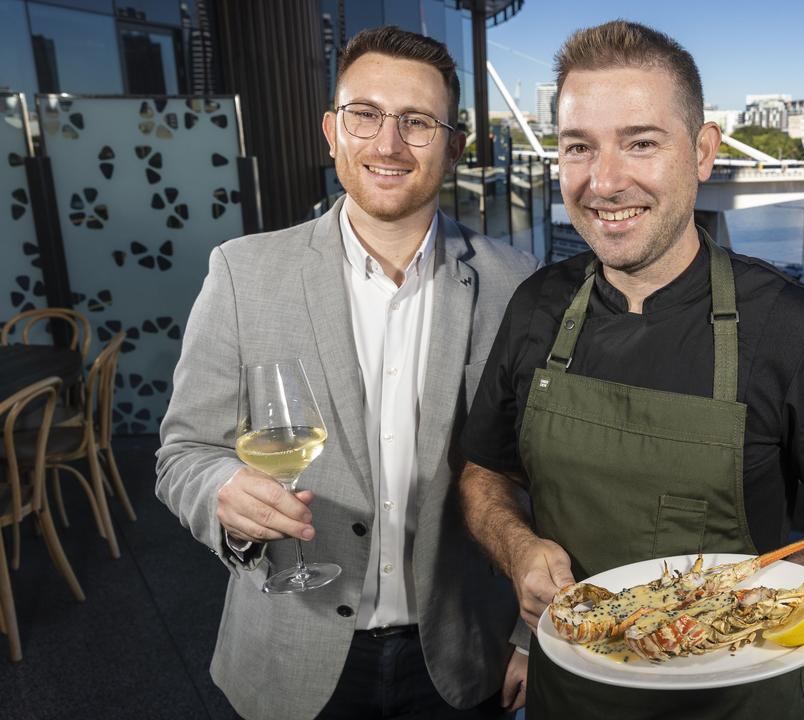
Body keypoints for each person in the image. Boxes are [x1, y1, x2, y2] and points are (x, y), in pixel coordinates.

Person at [458, 20, 804, 720]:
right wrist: (517, 550)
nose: (605, 181)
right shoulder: (538, 304)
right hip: (568, 698)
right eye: (580, 148)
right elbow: (484, 475)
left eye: (640, 142)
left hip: (737, 704)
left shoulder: (795, 329)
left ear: (702, 152)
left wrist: (769, 611)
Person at [156, 26, 536, 720]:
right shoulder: (243, 274)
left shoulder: (518, 284)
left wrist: (531, 635)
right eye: (364, 115)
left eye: (417, 122)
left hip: (461, 652)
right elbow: (184, 453)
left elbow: (544, 477)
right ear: (332, 132)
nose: (387, 144)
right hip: (290, 654)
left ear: (453, 148)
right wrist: (224, 497)